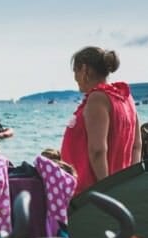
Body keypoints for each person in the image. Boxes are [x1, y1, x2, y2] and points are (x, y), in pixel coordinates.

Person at [60, 47, 141, 194]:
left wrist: (106, 190)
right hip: (117, 187)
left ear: (85, 70)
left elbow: (98, 150)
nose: (75, 77)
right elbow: (137, 146)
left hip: (90, 193)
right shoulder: (125, 97)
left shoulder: (98, 98)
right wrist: (130, 184)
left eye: (75, 71)